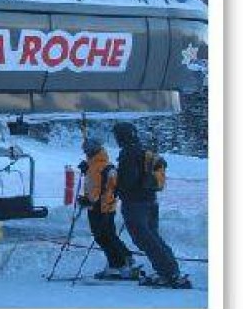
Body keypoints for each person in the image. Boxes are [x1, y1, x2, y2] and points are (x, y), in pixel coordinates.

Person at [113, 122, 191, 289]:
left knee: (144, 239)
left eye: (117, 135)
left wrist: (116, 186)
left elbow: (129, 181)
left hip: (135, 203)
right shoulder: (143, 150)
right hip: (150, 201)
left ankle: (167, 273)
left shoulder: (128, 154)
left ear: (121, 136)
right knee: (153, 237)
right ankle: (171, 270)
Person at [77, 138, 137, 279]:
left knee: (105, 236)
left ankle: (122, 261)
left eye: (87, 150)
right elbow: (94, 186)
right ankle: (117, 262)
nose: (85, 152)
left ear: (94, 150)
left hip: (102, 208)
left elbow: (105, 189)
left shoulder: (104, 167)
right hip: (98, 206)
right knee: (104, 236)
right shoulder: (93, 166)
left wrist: (89, 200)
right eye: (84, 150)